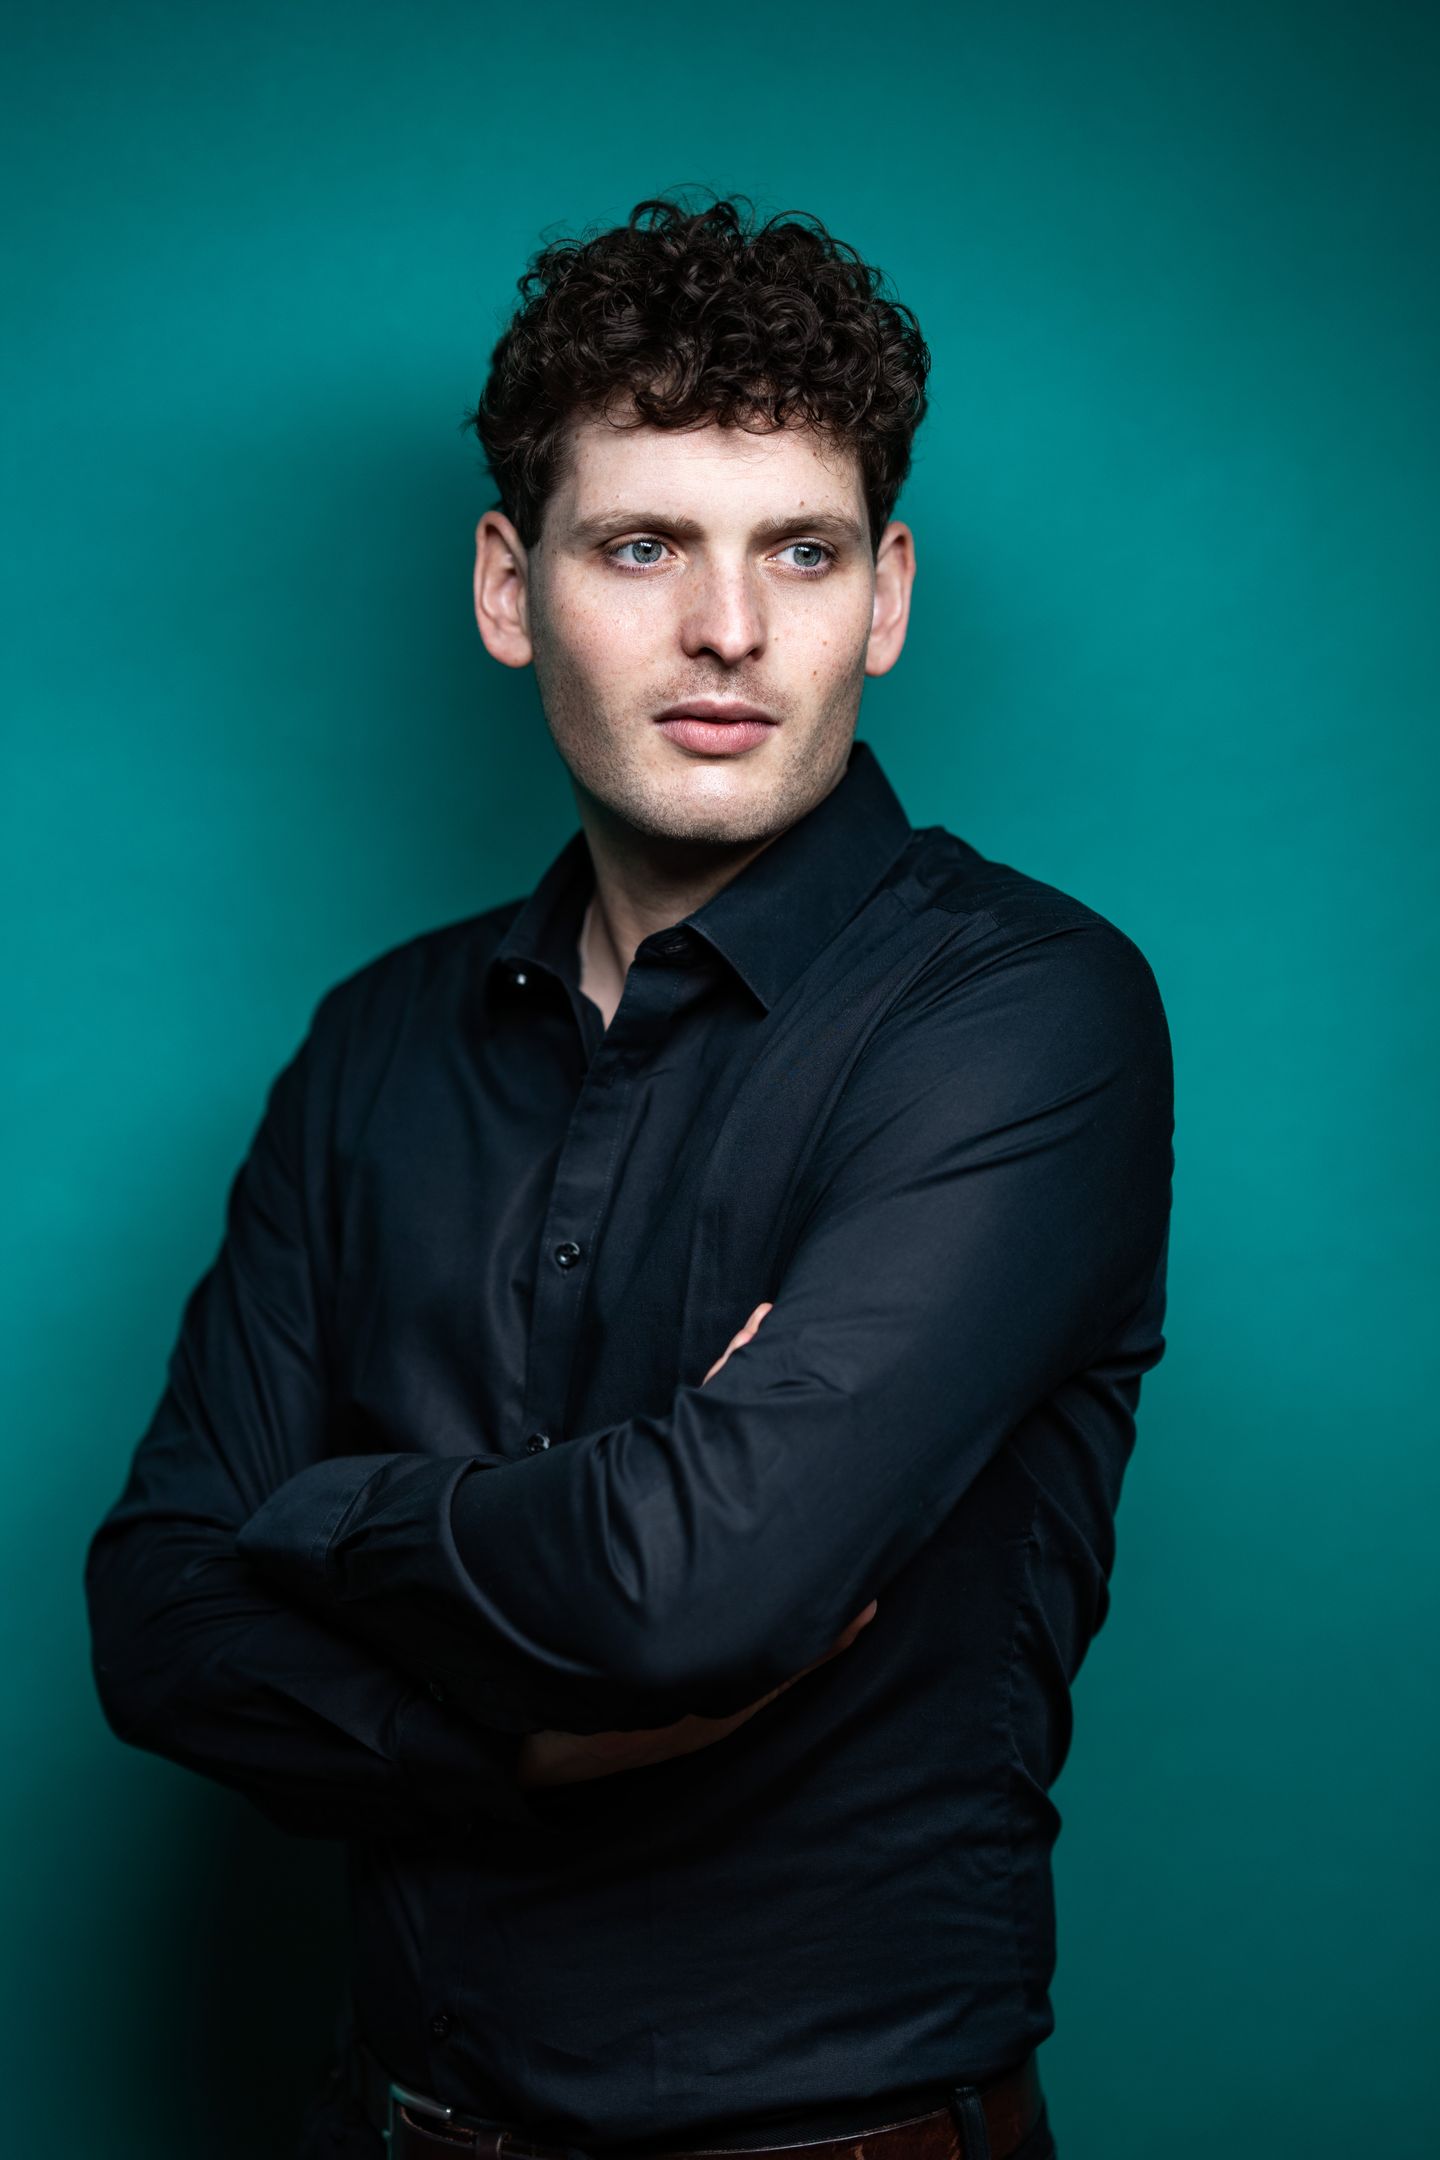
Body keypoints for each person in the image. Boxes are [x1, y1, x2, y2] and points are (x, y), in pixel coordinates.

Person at [85, 192, 1173, 2160]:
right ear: (511, 588)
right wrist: (519, 1730)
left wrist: (318, 1519)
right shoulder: (376, 1045)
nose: (729, 630)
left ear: (886, 597)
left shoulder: (1025, 1016)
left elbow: (690, 1596)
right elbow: (155, 1616)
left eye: (802, 551)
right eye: (644, 544)